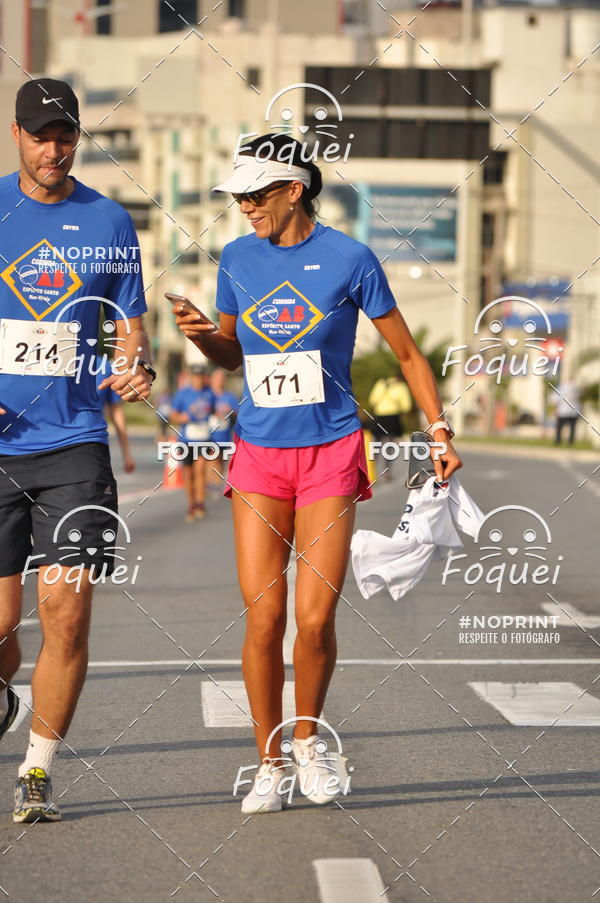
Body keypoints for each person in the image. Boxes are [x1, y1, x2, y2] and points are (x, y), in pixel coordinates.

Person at [172, 133, 462, 813]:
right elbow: (232, 353)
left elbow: (411, 356)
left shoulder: (350, 259)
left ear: (294, 189)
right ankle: (267, 761)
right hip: (260, 452)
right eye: (238, 196)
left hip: (332, 448)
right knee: (264, 616)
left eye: (256, 193)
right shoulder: (238, 257)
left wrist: (438, 430)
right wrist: (200, 334)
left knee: (315, 616)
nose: (244, 206)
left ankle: (307, 742)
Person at [0, 78, 154, 823]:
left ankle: (36, 770)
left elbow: (131, 320)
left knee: (64, 614)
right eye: (40, 135)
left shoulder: (109, 220)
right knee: (0, 630)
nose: (53, 149)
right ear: (16, 134)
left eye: (65, 136)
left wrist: (138, 364)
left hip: (74, 442)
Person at [170, 364, 215, 521]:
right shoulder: (182, 394)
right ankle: (191, 503)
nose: (198, 380)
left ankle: (201, 503)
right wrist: (184, 418)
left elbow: (214, 411)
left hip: (204, 438)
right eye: (196, 377)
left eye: (201, 376)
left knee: (200, 470)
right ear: (191, 378)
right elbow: (173, 415)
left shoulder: (209, 393)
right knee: (188, 474)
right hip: (186, 439)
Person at [368, 371, 412, 480]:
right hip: (393, 417)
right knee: (390, 445)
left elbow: (372, 400)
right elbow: (406, 406)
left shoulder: (381, 383)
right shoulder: (401, 386)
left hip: (379, 416)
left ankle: (370, 470)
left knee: (376, 444)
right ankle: (386, 471)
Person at [96, 357, 136, 473]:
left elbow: (116, 411)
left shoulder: (104, 366)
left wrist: (126, 454)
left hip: (93, 443)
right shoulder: (53, 362)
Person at [208, 367, 239, 495]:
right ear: (212, 380)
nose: (219, 381)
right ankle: (212, 483)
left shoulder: (229, 397)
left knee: (219, 460)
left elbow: (238, 413)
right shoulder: (207, 394)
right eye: (217, 379)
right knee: (210, 457)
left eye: (222, 379)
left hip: (224, 435)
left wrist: (229, 412)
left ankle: (216, 482)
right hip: (208, 435)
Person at [554, 380, 580, 445]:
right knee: (572, 428)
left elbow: (555, 399)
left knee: (560, 427)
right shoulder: (575, 388)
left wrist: (556, 409)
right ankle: (570, 441)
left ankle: (558, 440)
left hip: (563, 411)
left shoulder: (562, 387)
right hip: (573, 411)